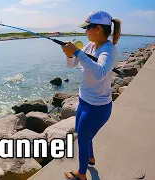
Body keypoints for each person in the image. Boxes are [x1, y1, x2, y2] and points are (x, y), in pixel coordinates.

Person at [61, 10, 122, 180]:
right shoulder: (89, 46)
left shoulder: (109, 51)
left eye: (87, 28)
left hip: (98, 107)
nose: (85, 31)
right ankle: (91, 158)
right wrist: (69, 54)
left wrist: (78, 53)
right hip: (84, 100)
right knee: (85, 135)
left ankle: (81, 174)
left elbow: (99, 73)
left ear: (98, 29)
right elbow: (72, 64)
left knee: (82, 139)